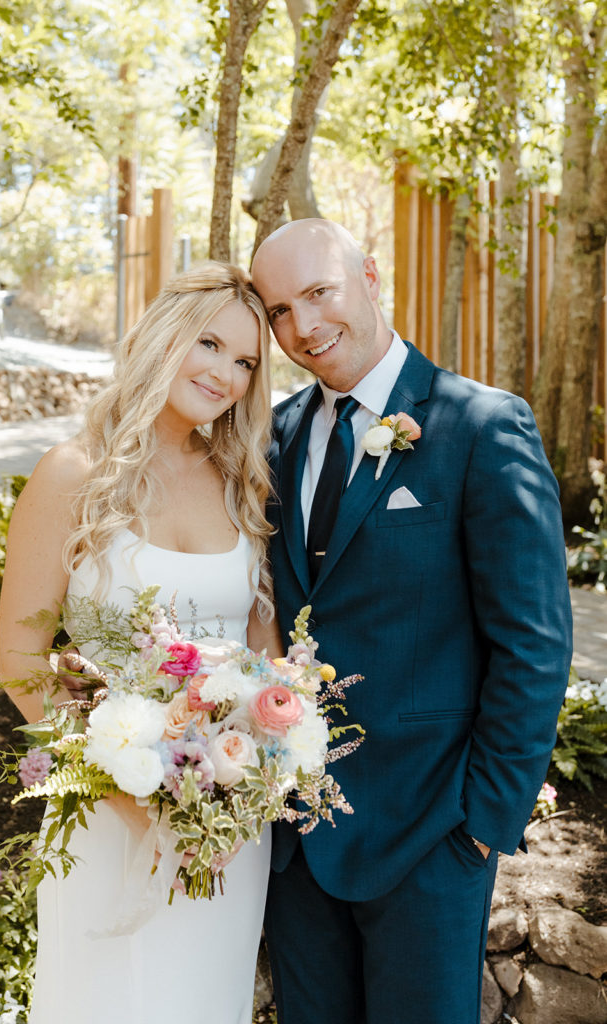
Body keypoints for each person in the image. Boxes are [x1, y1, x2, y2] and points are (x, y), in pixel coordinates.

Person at [250, 218, 573, 1024]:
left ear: (368, 274)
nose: (305, 327)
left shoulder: (481, 425)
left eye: (319, 293)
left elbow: (532, 645)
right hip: (296, 837)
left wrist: (479, 828)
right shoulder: (276, 436)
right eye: (280, 311)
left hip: (431, 835)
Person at [0, 262, 282, 1024]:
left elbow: (265, 651)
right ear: (165, 334)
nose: (225, 374)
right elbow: (21, 660)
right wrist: (132, 800)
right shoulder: (74, 474)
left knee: (205, 1000)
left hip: (225, 823)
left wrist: (262, 763)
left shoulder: (240, 480)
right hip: (108, 815)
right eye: (210, 344)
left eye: (246, 362)